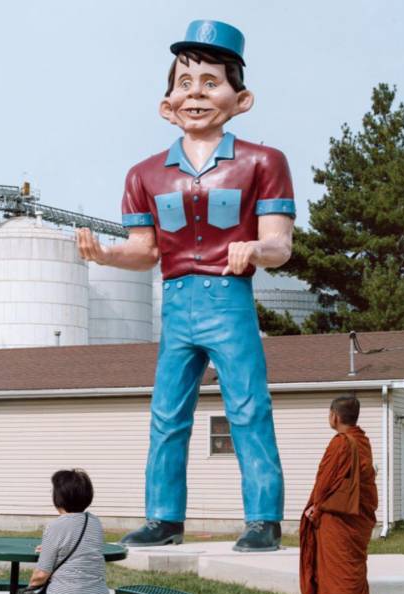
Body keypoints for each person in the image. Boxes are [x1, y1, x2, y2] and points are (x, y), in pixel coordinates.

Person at [76, 19, 295, 552]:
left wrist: (256, 250)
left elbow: (280, 245)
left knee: (247, 407)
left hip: (229, 297)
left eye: (211, 83)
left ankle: (263, 517)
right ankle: (163, 516)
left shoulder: (263, 163)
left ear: (241, 98)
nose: (196, 95)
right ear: (166, 103)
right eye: (185, 84)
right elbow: (145, 250)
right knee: (167, 413)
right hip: (175, 302)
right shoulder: (144, 174)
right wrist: (105, 253)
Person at [299, 395, 379, 594]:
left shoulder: (341, 443)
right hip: (358, 517)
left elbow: (324, 483)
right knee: (353, 571)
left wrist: (315, 507)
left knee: (337, 575)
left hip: (338, 519)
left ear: (334, 417)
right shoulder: (362, 440)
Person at [27, 469, 109, 594]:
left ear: (58, 497)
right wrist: (52, 549)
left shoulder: (55, 526)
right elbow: (81, 548)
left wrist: (27, 590)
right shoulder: (94, 522)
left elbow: (40, 576)